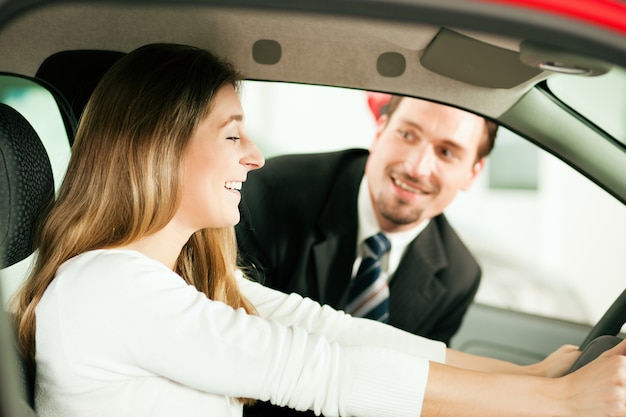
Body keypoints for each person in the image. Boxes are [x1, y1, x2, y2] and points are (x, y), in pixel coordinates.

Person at [10, 42, 626, 417]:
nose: (254, 155)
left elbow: (328, 330)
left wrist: (530, 377)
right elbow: (319, 371)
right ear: (161, 151)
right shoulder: (108, 286)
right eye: (232, 134)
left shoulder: (177, 275)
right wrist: (561, 404)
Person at [236, 92, 497, 346]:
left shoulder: (459, 276)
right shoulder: (270, 195)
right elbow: (242, 338)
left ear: (472, 174)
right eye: (407, 135)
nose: (416, 168)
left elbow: (419, 379)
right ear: (380, 131)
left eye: (447, 153)